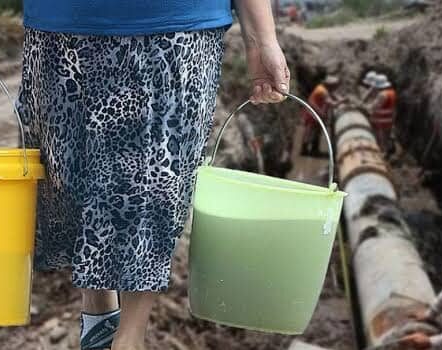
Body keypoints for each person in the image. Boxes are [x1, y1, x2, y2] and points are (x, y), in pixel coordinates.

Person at [16, 1, 290, 349]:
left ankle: (129, 337)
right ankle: (99, 319)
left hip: (173, 26)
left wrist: (261, 38)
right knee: (72, 181)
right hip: (58, 25)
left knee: (153, 186)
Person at [301, 75, 343, 156]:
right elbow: (333, 103)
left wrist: (340, 99)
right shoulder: (323, 91)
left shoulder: (323, 88)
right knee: (309, 132)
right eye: (335, 86)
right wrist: (343, 101)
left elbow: (334, 96)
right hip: (313, 114)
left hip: (316, 113)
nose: (336, 87)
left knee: (315, 132)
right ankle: (305, 150)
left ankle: (312, 149)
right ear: (331, 85)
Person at [367, 74, 397, 155]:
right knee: (386, 137)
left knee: (380, 139)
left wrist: (366, 108)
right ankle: (388, 150)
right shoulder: (392, 92)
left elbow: (374, 106)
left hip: (381, 121)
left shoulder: (382, 95)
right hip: (389, 120)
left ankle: (382, 154)